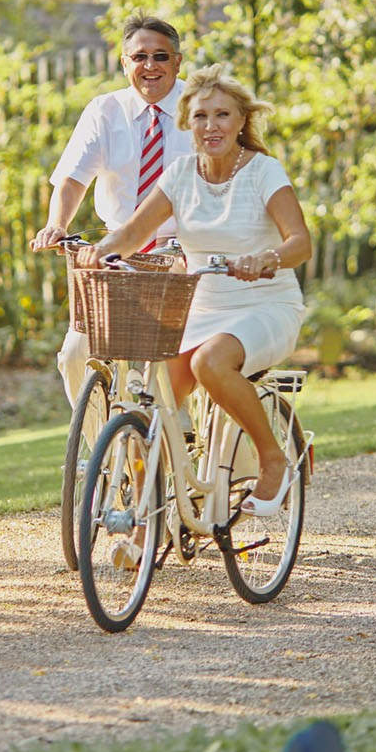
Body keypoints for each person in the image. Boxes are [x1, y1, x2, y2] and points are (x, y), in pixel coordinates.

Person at [91, 66, 312, 512]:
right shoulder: (179, 174)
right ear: (187, 124)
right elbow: (132, 234)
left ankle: (274, 462)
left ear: (241, 122)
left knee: (212, 363)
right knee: (152, 400)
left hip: (265, 304)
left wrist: (266, 259)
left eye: (222, 115)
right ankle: (142, 520)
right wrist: (99, 251)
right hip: (201, 308)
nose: (211, 126)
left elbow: (300, 243)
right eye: (200, 117)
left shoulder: (263, 171)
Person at [31, 13, 192, 402]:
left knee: (178, 363)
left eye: (161, 57)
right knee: (74, 355)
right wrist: (57, 224)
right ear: (124, 64)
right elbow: (72, 178)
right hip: (119, 256)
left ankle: (183, 434)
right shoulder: (104, 111)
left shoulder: (200, 109)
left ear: (177, 62)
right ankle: (102, 452)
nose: (150, 66)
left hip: (186, 253)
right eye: (139, 57)